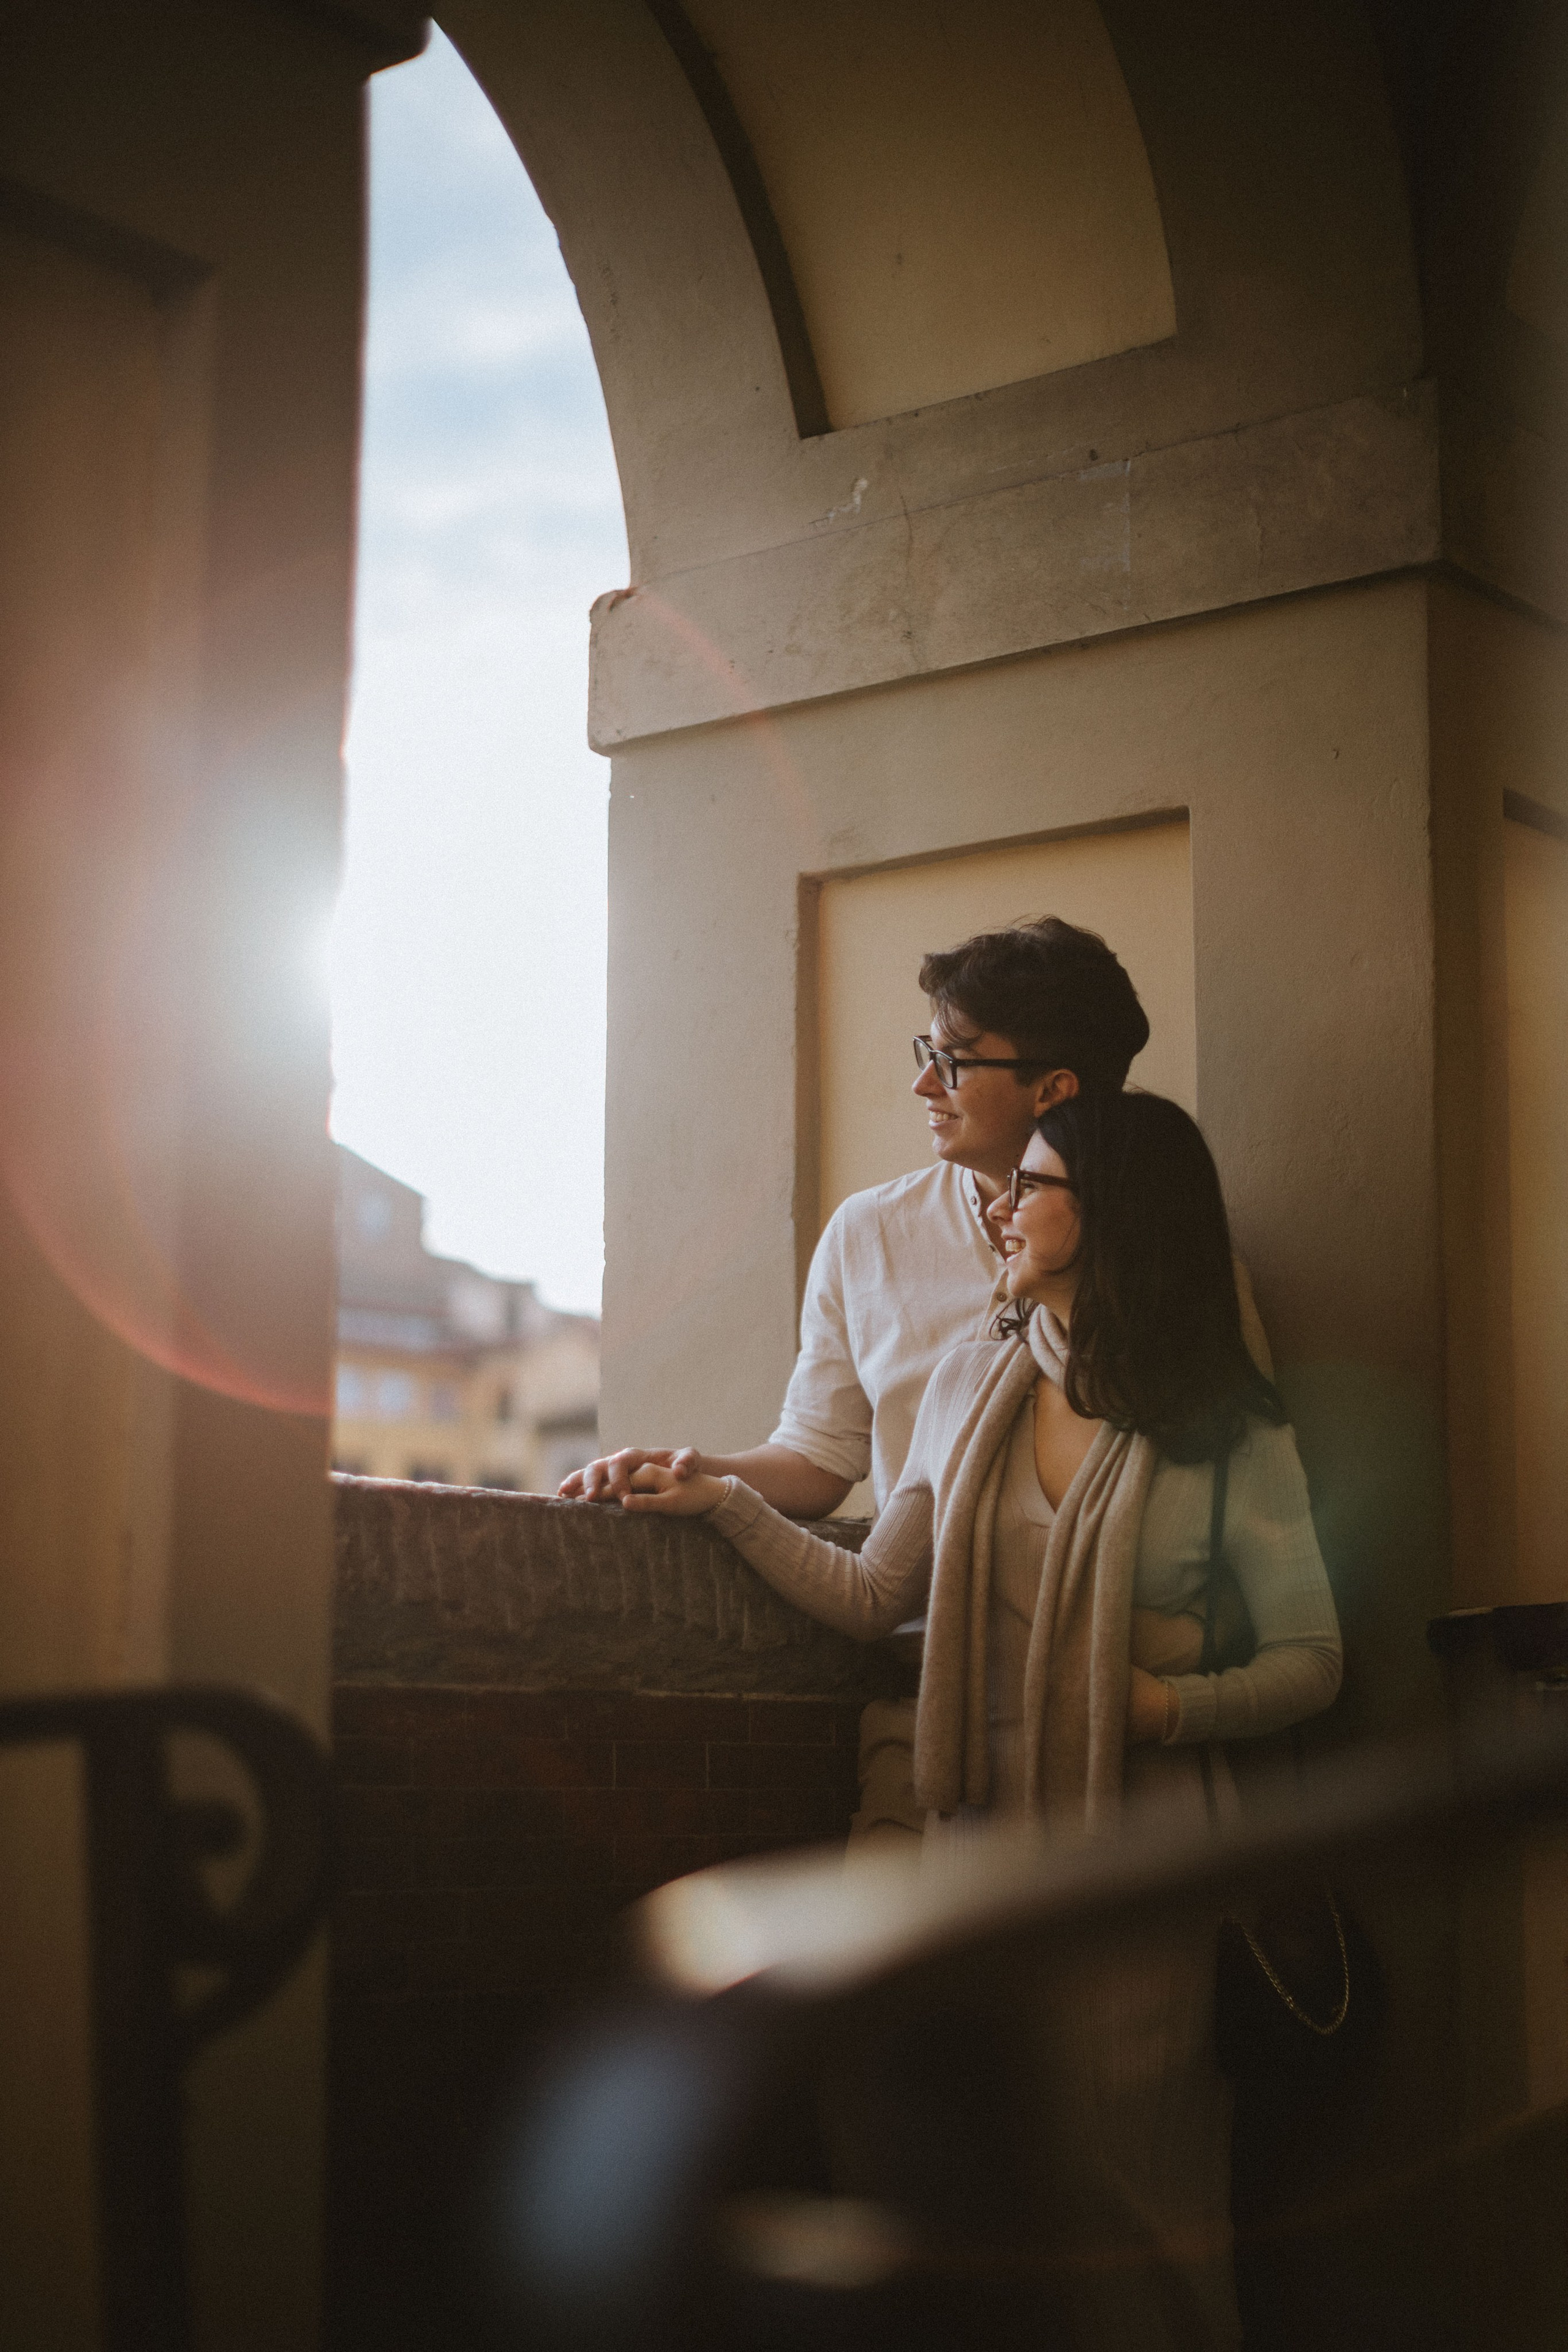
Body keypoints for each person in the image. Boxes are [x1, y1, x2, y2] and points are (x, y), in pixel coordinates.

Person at [586, 1088, 1341, 2348]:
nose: (1002, 1204)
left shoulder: (1223, 1430)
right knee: (985, 2205)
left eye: (1032, 1185)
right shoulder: (963, 1383)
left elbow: (1311, 1659)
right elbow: (879, 1592)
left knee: (1139, 2201)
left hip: (1139, 1850)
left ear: (1109, 1217)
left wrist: (1163, 1710)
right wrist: (719, 1498)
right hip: (967, 1844)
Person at [562, 916, 1270, 1836]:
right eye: (926, 1051)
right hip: (932, 1727)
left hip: (1137, 1746)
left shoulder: (1186, 1266)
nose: (922, 1084)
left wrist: (1172, 1699)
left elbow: (1245, 1507)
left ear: (1054, 1088)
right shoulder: (868, 1235)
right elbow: (820, 1461)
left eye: (956, 1061)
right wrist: (695, 1474)